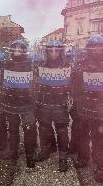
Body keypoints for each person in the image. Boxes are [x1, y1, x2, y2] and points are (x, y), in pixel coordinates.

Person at [0, 40, 37, 168]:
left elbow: (36, 83)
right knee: (13, 129)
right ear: (11, 50)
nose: (17, 52)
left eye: (20, 49)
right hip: (11, 102)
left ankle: (30, 155)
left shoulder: (30, 65)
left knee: (29, 129)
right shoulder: (6, 64)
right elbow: (1, 82)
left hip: (27, 103)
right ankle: (13, 152)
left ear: (24, 51)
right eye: (15, 49)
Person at [35, 40, 71, 172]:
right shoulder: (41, 65)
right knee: (44, 128)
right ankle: (45, 150)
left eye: (56, 50)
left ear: (61, 51)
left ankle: (63, 158)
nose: (53, 53)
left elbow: (73, 84)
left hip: (60, 103)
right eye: (50, 50)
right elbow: (35, 83)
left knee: (61, 130)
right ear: (46, 52)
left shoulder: (67, 65)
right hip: (44, 102)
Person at [73, 35, 103, 183]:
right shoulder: (80, 64)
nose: (97, 49)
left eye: (100, 46)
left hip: (100, 110)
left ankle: (100, 166)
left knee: (99, 138)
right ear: (88, 48)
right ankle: (83, 158)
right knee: (82, 135)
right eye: (94, 46)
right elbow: (74, 84)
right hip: (84, 108)